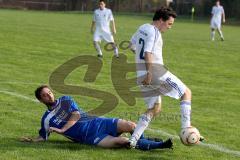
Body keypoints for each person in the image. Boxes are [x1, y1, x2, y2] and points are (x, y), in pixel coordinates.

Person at [128, 7, 203, 147]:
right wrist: (150, 73)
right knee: (186, 93)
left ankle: (133, 140)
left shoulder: (143, 27)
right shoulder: (155, 32)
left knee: (155, 108)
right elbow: (147, 53)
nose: (170, 27)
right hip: (155, 72)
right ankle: (186, 129)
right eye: (169, 24)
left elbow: (131, 45)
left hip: (140, 74)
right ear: (161, 20)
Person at [20, 85, 173, 151]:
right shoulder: (47, 119)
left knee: (131, 125)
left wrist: (63, 129)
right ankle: (160, 145)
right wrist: (33, 140)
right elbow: (43, 136)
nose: (49, 95)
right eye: (45, 95)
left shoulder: (65, 100)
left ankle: (147, 140)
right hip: (91, 137)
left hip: (98, 122)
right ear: (41, 100)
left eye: (49, 92)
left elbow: (76, 114)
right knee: (125, 142)